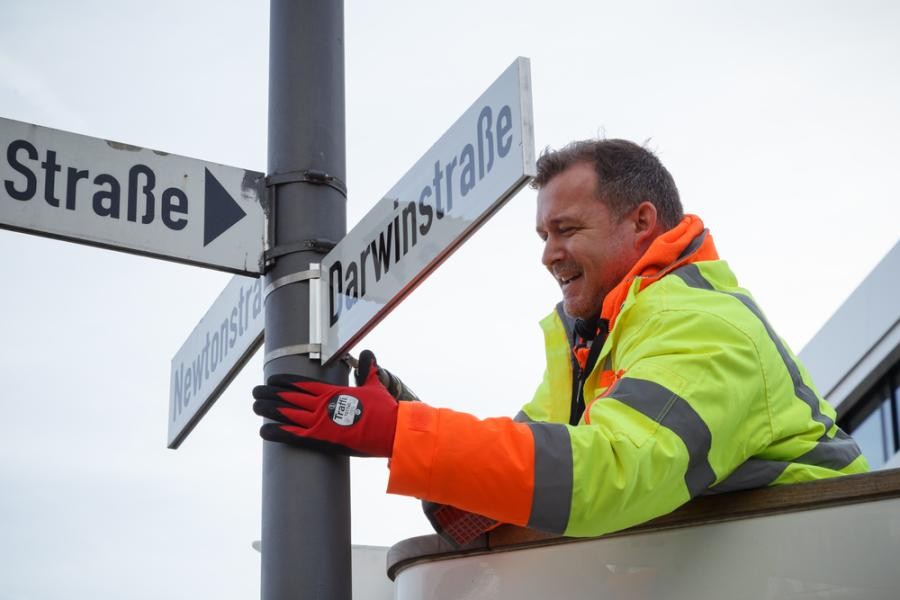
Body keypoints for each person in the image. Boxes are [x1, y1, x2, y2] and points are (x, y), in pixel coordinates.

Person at [252, 138, 868, 543]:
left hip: (818, 565)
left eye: (566, 229)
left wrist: (398, 432)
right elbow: (505, 496)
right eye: (543, 235)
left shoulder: (705, 324)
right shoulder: (591, 346)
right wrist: (406, 422)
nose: (549, 254)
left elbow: (608, 475)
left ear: (642, 222)